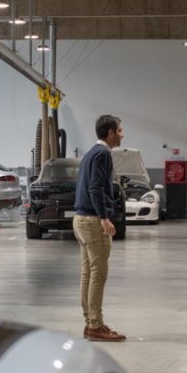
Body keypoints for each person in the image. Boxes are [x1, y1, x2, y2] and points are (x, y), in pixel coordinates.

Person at [73, 115, 126, 342]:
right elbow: (95, 188)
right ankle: (95, 325)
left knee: (88, 274)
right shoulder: (103, 153)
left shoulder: (91, 153)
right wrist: (104, 218)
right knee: (98, 275)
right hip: (93, 221)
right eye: (120, 130)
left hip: (81, 219)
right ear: (111, 132)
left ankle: (90, 323)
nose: (122, 134)